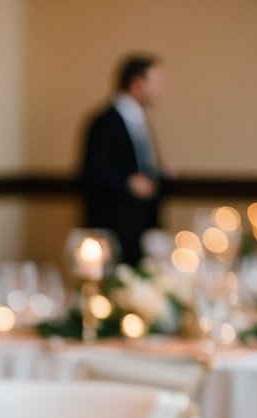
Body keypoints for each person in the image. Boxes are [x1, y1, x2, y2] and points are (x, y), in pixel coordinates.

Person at [80, 55, 168, 266]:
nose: (161, 89)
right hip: (114, 227)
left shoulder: (140, 120)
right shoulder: (104, 122)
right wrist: (128, 183)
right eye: (155, 82)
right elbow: (91, 173)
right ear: (137, 82)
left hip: (142, 226)